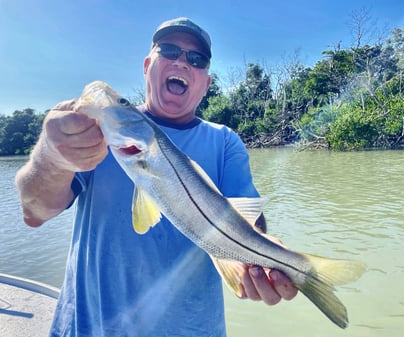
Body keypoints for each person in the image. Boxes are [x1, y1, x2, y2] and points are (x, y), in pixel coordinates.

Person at [15, 17, 297, 336]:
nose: (182, 61)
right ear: (148, 65)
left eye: (197, 59)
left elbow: (250, 219)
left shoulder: (224, 141)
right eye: (169, 50)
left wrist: (258, 258)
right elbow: (34, 213)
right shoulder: (95, 134)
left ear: (206, 83)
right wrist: (52, 157)